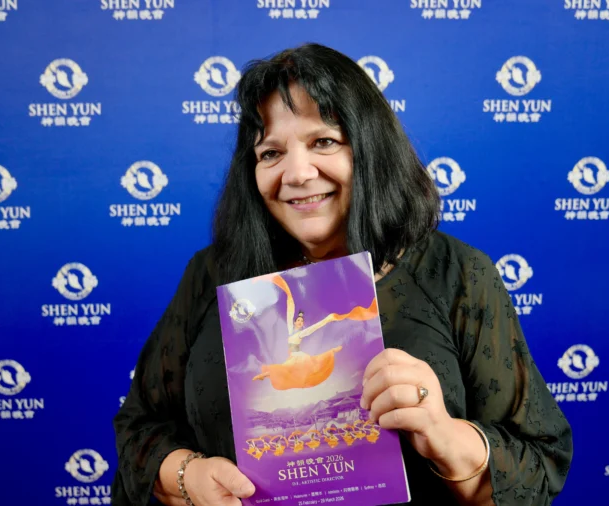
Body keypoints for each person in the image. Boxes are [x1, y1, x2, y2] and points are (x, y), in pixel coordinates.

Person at [113, 43, 573, 506]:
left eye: (324, 142)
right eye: (271, 152)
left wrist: (445, 436)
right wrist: (187, 477)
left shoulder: (459, 274)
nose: (297, 173)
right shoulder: (212, 273)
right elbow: (140, 424)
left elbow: (539, 461)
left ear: (370, 148)